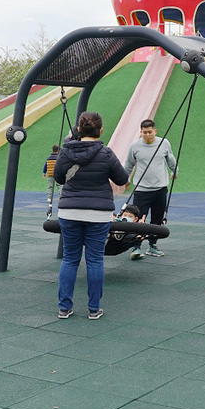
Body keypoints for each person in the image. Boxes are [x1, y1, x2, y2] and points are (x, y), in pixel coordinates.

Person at [55, 111, 129, 320]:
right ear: (101, 130)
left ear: (79, 130)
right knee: (95, 260)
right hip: (99, 213)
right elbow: (122, 178)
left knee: (70, 259)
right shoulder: (106, 154)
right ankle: (94, 309)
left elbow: (60, 178)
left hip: (70, 211)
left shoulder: (66, 152)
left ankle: (64, 308)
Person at [123, 119, 177, 258]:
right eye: (144, 132)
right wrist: (126, 179)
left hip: (160, 188)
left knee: (157, 220)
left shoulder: (164, 143)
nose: (147, 135)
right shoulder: (134, 146)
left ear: (155, 131)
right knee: (139, 219)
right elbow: (128, 164)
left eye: (150, 132)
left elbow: (170, 159)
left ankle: (152, 246)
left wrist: (174, 171)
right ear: (140, 132)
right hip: (142, 190)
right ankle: (136, 247)